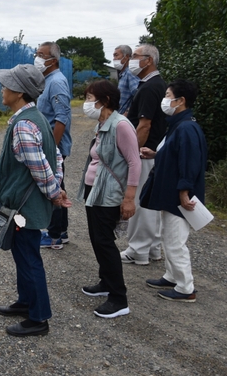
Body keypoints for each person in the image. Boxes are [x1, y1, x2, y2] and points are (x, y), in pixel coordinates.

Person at [0, 64, 67, 337]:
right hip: (27, 205)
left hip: (24, 208)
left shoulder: (24, 124)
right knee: (23, 256)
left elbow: (39, 167)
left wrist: (54, 194)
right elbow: (56, 157)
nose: (2, 88)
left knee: (29, 258)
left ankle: (38, 318)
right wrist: (56, 187)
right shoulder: (35, 118)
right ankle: (25, 302)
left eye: (7, 84)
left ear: (20, 92)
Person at [77, 80, 141, 318]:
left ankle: (118, 298)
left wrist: (129, 197)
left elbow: (134, 162)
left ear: (104, 101)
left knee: (104, 242)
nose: (86, 103)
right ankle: (105, 282)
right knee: (96, 238)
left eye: (89, 97)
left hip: (110, 193)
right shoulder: (102, 122)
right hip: (95, 189)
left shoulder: (121, 125)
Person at [142, 79, 207, 302]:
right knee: (168, 235)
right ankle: (172, 275)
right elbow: (175, 154)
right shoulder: (179, 125)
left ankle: (185, 288)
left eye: (168, 95)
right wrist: (156, 154)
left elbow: (189, 163)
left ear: (181, 101)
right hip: (170, 193)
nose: (165, 99)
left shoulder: (186, 127)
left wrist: (184, 191)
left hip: (178, 196)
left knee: (174, 240)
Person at [120, 44, 167, 265]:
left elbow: (144, 125)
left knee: (139, 201)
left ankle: (138, 249)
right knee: (151, 200)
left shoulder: (149, 88)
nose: (131, 61)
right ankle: (153, 248)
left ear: (148, 60)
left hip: (144, 151)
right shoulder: (157, 85)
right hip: (153, 151)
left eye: (136, 57)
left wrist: (132, 155)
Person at [35, 41, 72, 250]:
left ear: (53, 61)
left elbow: (61, 119)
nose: (37, 58)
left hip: (53, 147)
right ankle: (60, 231)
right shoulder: (48, 80)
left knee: (54, 186)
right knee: (57, 185)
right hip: (48, 144)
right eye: (37, 53)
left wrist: (52, 149)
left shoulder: (56, 82)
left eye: (41, 55)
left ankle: (54, 235)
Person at [109, 45, 140, 116]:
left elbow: (138, 95)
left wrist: (128, 112)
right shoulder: (123, 74)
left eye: (116, 55)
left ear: (126, 57)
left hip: (127, 118)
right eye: (113, 56)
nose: (114, 59)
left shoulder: (130, 73)